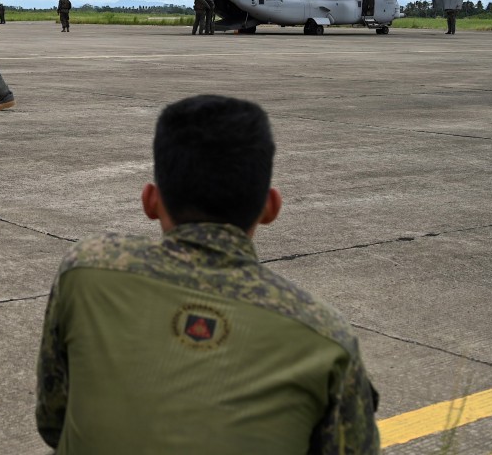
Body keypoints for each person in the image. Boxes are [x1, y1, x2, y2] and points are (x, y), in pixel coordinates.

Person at [36, 95, 380, 454]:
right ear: (271, 207)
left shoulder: (87, 271)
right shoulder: (326, 339)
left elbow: (52, 420)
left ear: (150, 201)